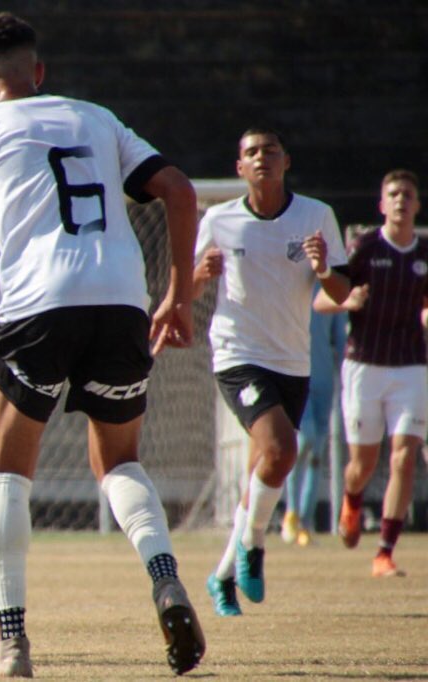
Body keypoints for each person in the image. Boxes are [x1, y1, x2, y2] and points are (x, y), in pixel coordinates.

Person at [0, 12, 206, 677]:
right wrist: (178, 298)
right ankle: (164, 579)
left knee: (8, 471)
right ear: (39, 72)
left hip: (38, 310)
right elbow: (180, 190)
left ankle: (13, 642)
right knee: (119, 464)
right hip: (121, 302)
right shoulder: (96, 118)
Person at [193, 127, 350, 617]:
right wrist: (199, 275)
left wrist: (325, 269)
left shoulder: (316, 216)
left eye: (270, 151)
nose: (261, 158)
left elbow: (342, 294)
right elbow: (189, 286)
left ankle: (220, 577)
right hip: (237, 356)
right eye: (251, 152)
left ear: (286, 161)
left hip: (292, 361)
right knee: (282, 449)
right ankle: (253, 546)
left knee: (267, 466)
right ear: (239, 167)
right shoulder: (219, 220)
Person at [313, 169, 427, 578]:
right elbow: (322, 303)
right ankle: (353, 497)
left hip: (412, 366)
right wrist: (348, 302)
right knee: (363, 462)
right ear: (382, 204)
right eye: (393, 193)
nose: (400, 200)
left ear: (417, 204)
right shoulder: (363, 248)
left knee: (404, 458)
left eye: (407, 194)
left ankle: (384, 552)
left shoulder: (424, 253)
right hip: (364, 364)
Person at [280, 286, 347, 547]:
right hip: (297, 378)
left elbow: (340, 339)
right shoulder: (293, 283)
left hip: (323, 382)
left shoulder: (333, 287)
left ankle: (305, 523)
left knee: (317, 451)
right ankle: (291, 512)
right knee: (304, 439)